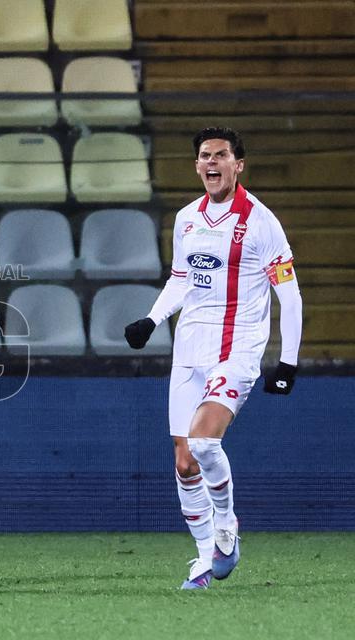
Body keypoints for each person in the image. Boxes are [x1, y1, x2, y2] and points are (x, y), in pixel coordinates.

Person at [124, 127, 303, 590]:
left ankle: (226, 525)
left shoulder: (261, 222)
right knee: (184, 462)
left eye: (221, 155)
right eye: (205, 155)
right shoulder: (186, 218)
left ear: (237, 165)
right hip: (189, 350)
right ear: (197, 164)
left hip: (238, 350)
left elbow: (290, 294)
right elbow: (181, 278)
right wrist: (152, 319)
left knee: (204, 443)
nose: (212, 162)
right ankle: (205, 559)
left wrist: (288, 361)